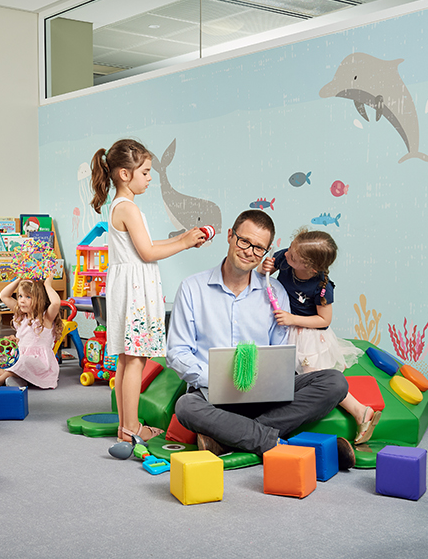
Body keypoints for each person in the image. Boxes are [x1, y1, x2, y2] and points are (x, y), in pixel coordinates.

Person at [167, 209, 355, 468]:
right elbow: (177, 352)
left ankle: (228, 440)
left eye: (259, 248)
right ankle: (283, 443)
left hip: (263, 398)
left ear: (267, 252)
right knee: (186, 406)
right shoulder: (192, 288)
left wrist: (266, 382)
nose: (249, 252)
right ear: (231, 236)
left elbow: (281, 353)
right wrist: (218, 381)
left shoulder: (275, 292)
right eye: (245, 241)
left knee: (334, 382)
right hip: (210, 395)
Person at [90, 138, 206, 444]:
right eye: (145, 172)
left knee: (127, 360)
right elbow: (147, 252)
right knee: (135, 359)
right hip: (135, 288)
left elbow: (149, 247)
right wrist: (183, 243)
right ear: (125, 174)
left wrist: (184, 238)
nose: (150, 177)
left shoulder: (122, 206)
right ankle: (132, 428)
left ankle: (125, 426)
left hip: (128, 285)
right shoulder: (127, 207)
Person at [262, 227, 376, 444]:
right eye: (290, 249)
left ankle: (361, 411)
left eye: (293, 256)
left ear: (311, 267)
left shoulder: (322, 288)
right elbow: (265, 270)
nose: (285, 255)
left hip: (307, 334)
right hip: (284, 325)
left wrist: (293, 319)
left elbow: (323, 321)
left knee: (312, 374)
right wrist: (264, 266)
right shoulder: (286, 257)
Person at [0, 276, 62, 389]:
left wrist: (48, 285)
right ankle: (17, 378)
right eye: (20, 296)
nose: (21, 300)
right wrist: (18, 279)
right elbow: (3, 295)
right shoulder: (21, 315)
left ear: (40, 299)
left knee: (22, 360)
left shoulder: (46, 318)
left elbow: (55, 303)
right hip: (19, 357)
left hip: (39, 363)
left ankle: (3, 377)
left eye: (28, 297)